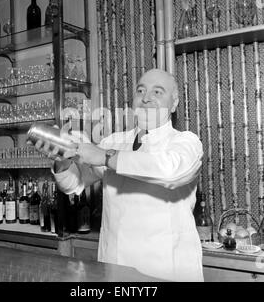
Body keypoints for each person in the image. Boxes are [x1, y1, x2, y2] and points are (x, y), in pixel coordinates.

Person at [33, 69, 204, 282]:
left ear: (175, 103)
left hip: (165, 270)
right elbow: (73, 185)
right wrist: (62, 158)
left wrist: (104, 157)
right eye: (140, 90)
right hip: (114, 266)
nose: (146, 97)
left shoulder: (186, 142)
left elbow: (169, 172)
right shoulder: (115, 141)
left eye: (157, 92)